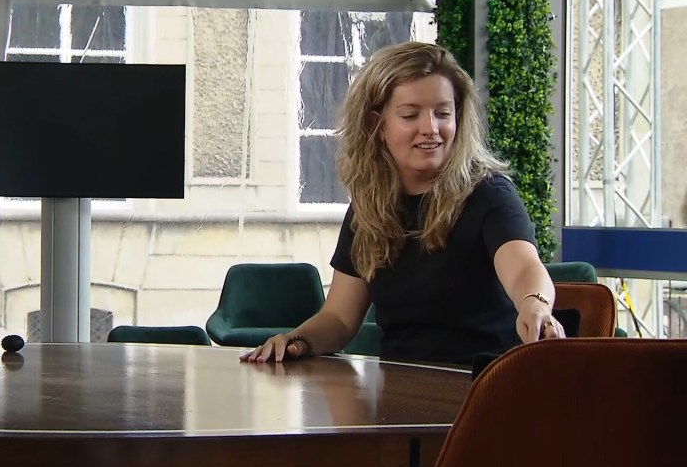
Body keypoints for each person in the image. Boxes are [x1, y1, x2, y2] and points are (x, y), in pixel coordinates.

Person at [242, 41, 564, 367]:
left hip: (485, 383)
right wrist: (296, 341)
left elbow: (524, 268)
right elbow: (339, 318)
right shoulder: (369, 207)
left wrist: (534, 303)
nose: (431, 129)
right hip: (399, 387)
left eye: (443, 114)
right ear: (377, 124)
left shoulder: (490, 195)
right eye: (411, 115)